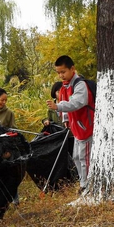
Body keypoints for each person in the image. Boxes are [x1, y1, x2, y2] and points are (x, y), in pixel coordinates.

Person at [45, 56, 95, 190]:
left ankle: (88, 185)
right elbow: (66, 102)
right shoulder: (65, 86)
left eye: (63, 72)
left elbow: (77, 103)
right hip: (76, 128)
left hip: (86, 126)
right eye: (58, 72)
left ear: (72, 68)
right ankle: (83, 183)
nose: (61, 75)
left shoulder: (80, 85)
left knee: (85, 158)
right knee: (77, 157)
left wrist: (58, 107)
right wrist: (66, 119)